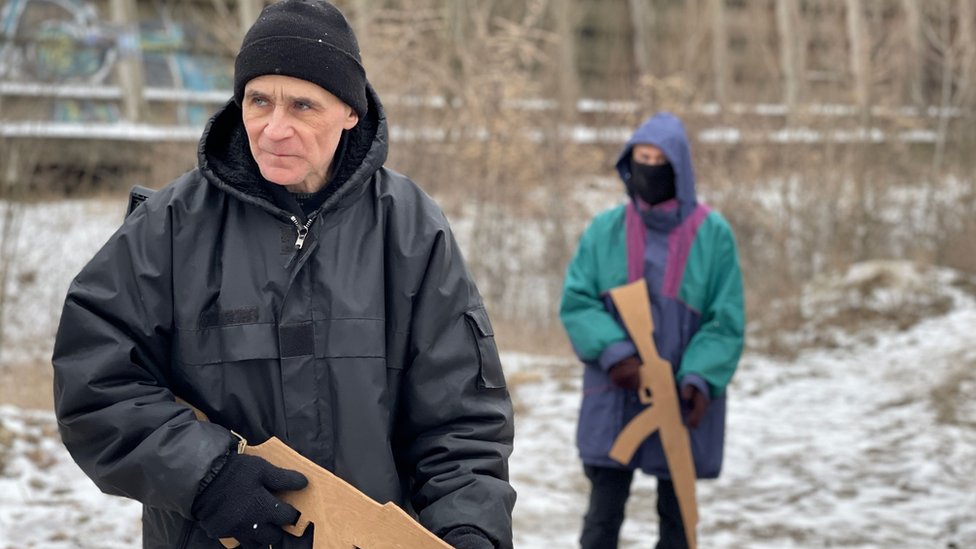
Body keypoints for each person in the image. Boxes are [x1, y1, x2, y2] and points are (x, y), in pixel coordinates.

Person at [51, 2, 515, 548]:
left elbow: (460, 417)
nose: (275, 129)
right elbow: (95, 384)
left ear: (350, 112)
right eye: (258, 100)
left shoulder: (410, 229)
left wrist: (468, 529)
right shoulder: (169, 228)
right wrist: (207, 477)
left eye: (302, 105)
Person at [559, 112, 744, 548]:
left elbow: (725, 321)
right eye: (641, 157)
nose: (649, 168)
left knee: (678, 516)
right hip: (615, 391)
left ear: (679, 168)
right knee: (602, 516)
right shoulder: (606, 229)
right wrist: (616, 354)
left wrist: (699, 378)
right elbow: (577, 302)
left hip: (679, 399)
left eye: (660, 159)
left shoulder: (712, 235)